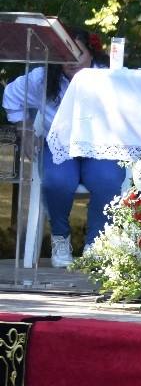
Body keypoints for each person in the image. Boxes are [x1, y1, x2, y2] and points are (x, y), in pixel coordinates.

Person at [2, 27, 125, 267]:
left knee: (108, 180)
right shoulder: (43, 77)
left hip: (99, 146)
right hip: (59, 145)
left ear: (91, 53)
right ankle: (60, 237)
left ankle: (97, 242)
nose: (71, 60)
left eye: (78, 53)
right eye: (64, 53)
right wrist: (25, 130)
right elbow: (11, 96)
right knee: (56, 181)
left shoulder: (110, 76)